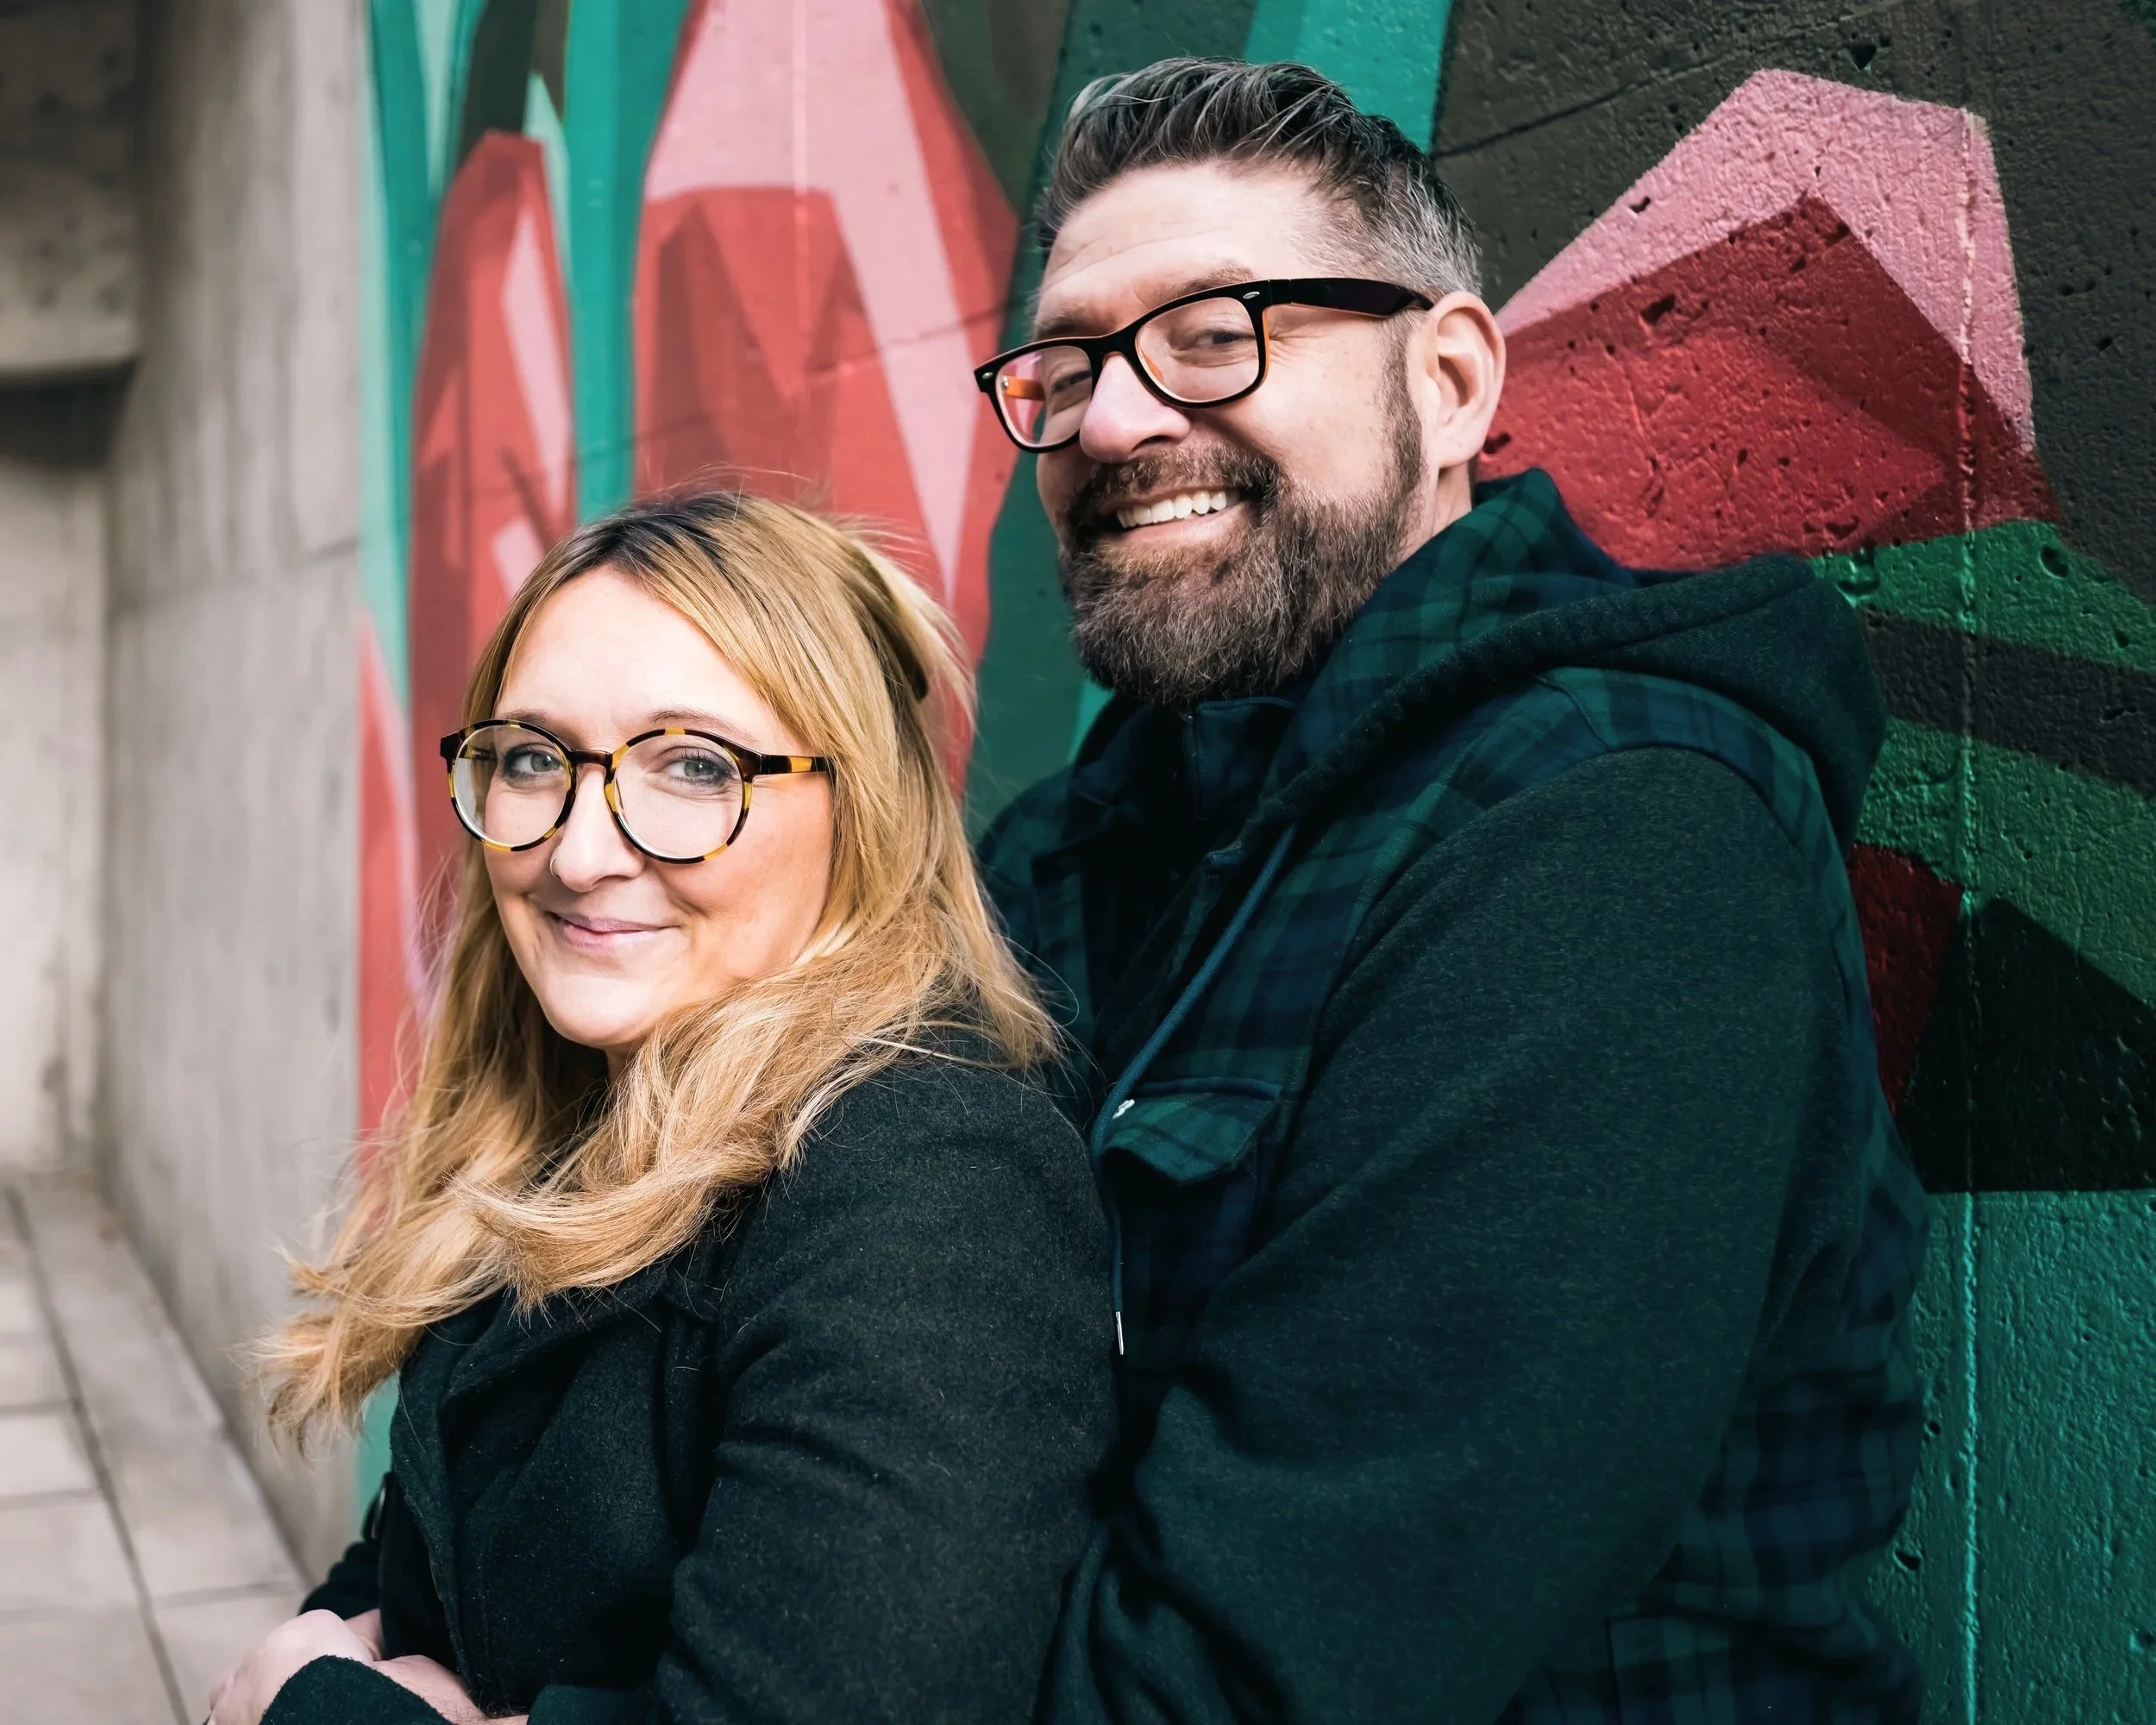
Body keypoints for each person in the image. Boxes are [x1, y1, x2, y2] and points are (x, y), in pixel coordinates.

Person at [972, 58, 1927, 1722]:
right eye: (1066, 366)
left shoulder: (1611, 839)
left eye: (1215, 333)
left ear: (1456, 378)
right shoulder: (1066, 855)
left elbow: (1251, 1686)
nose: (1115, 421)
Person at [210, 494, 1113, 1725]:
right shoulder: (583, 1104)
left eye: (693, 767)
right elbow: (432, 1543)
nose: (578, 852)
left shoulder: (925, 1179)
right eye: (533, 758)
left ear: (864, 809)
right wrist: (330, 1644)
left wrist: (308, 1708)